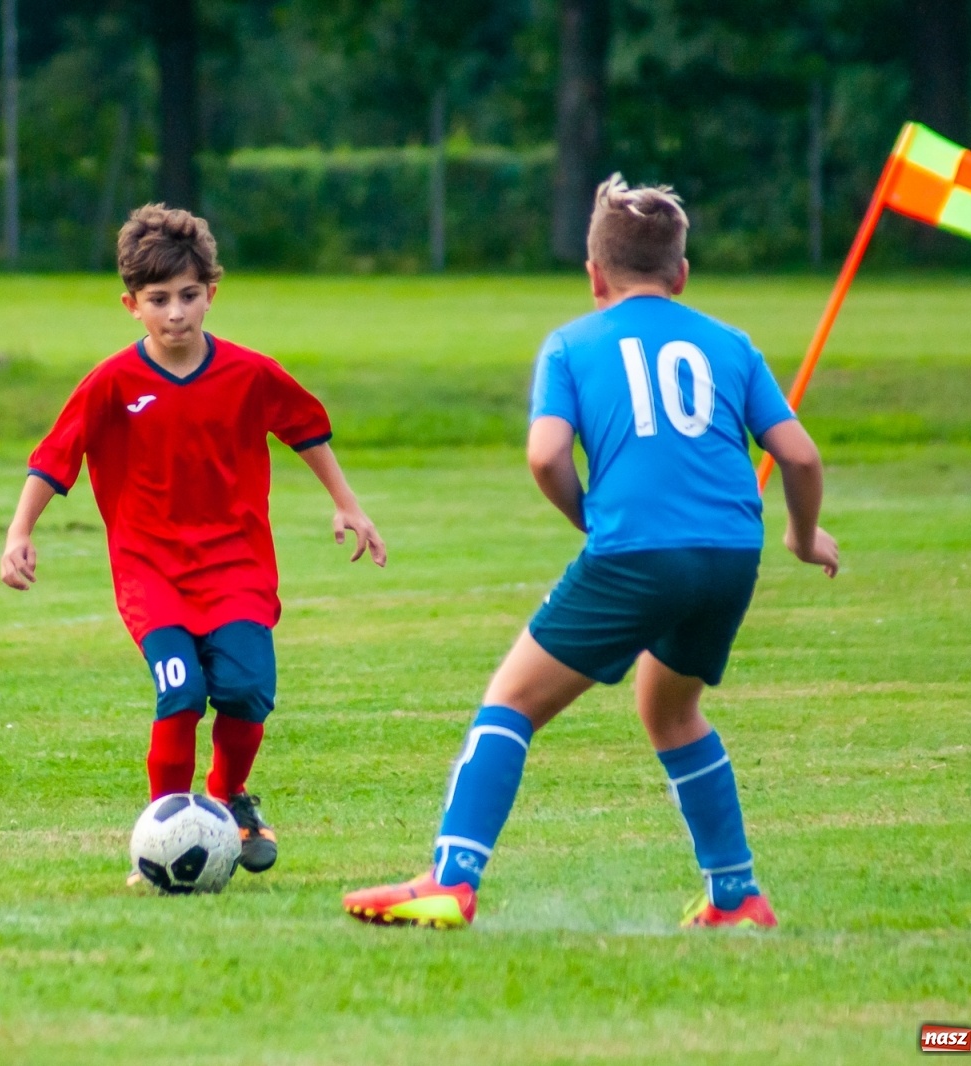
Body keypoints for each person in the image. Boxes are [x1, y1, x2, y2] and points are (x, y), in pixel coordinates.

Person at [343, 175, 839, 929]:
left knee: (511, 701)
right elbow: (799, 458)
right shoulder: (729, 343)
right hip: (732, 554)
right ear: (681, 274)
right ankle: (735, 895)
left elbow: (545, 457)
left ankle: (451, 878)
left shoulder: (572, 343)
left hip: (637, 552)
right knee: (671, 712)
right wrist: (801, 537)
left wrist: (591, 520)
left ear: (593, 275)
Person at [1, 203, 386, 877]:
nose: (175, 313)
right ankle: (162, 830)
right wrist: (18, 532)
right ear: (131, 304)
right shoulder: (112, 383)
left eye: (187, 296)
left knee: (245, 691)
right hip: (151, 574)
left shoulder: (250, 373)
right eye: (158, 300)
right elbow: (55, 457)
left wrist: (347, 505)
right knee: (179, 695)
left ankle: (229, 796)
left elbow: (306, 430)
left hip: (237, 568)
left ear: (212, 292)